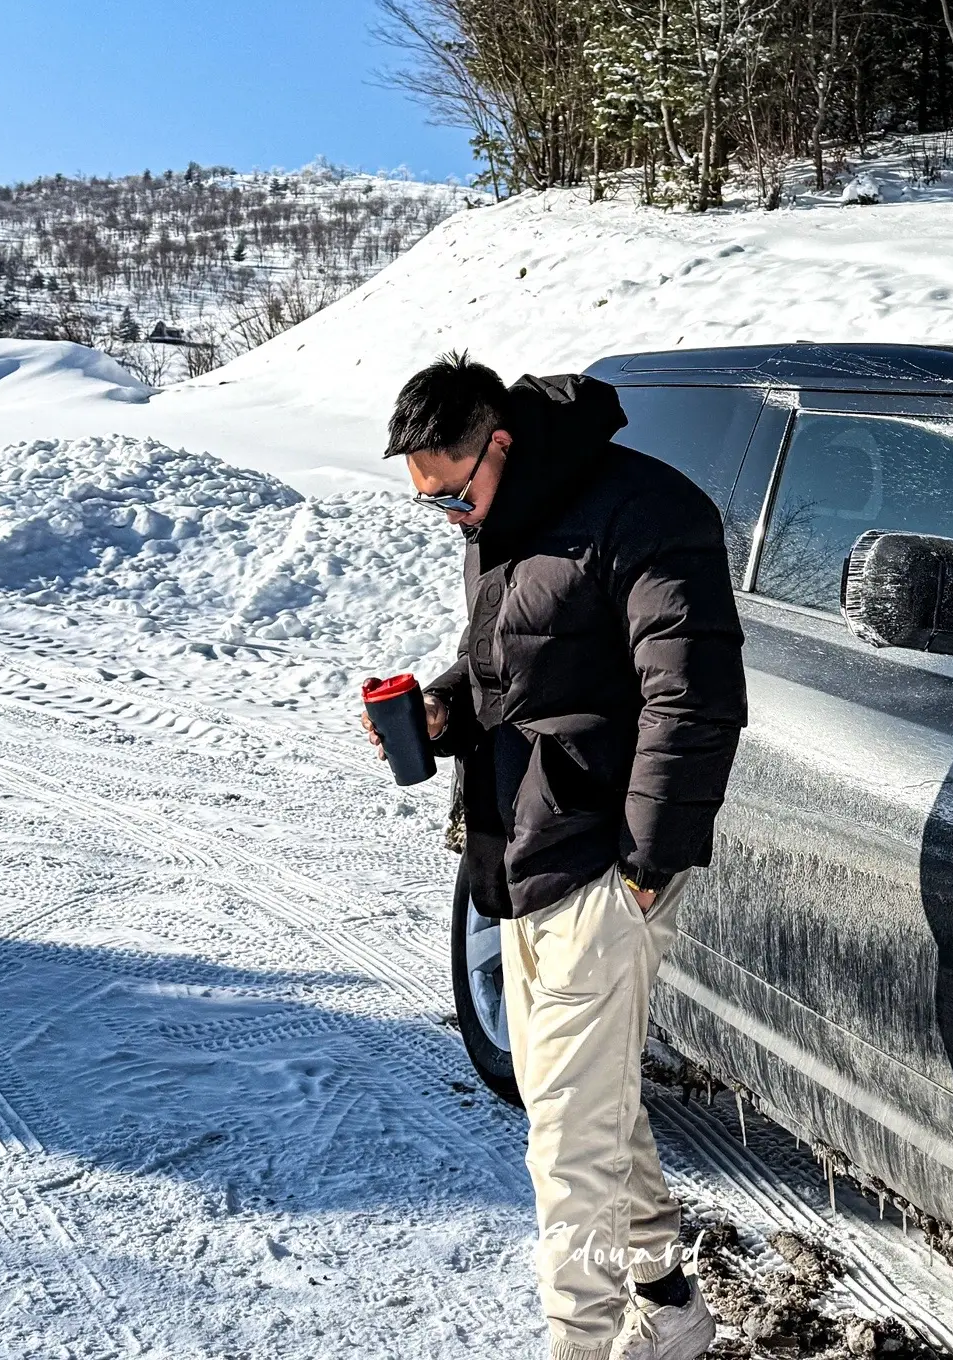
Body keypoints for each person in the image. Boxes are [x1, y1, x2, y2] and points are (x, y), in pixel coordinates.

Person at [368, 352, 747, 1360]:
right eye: (432, 507)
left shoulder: (647, 512)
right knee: (574, 1101)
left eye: (454, 494)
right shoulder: (504, 522)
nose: (452, 519)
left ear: (499, 439)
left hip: (603, 861)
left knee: (566, 1146)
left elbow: (692, 697)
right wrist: (446, 707)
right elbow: (507, 663)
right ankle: (668, 1304)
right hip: (524, 848)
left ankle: (578, 1342)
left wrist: (644, 867)